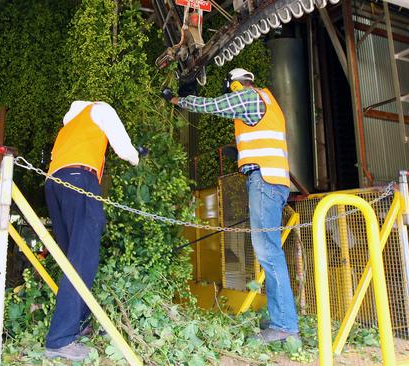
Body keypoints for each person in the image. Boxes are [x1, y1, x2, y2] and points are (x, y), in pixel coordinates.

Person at [162, 68, 299, 342]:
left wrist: (178, 100)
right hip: (271, 181)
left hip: (265, 180)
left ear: (235, 84)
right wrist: (238, 154)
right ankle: (281, 321)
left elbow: (213, 106)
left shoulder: (248, 97)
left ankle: (285, 327)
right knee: (269, 253)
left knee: (268, 253)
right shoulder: (268, 102)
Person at [44, 101, 140, 361]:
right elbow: (123, 147)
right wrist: (136, 156)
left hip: (54, 185)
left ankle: (78, 324)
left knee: (72, 258)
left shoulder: (67, 129)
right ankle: (60, 339)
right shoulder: (99, 109)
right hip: (79, 180)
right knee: (82, 259)